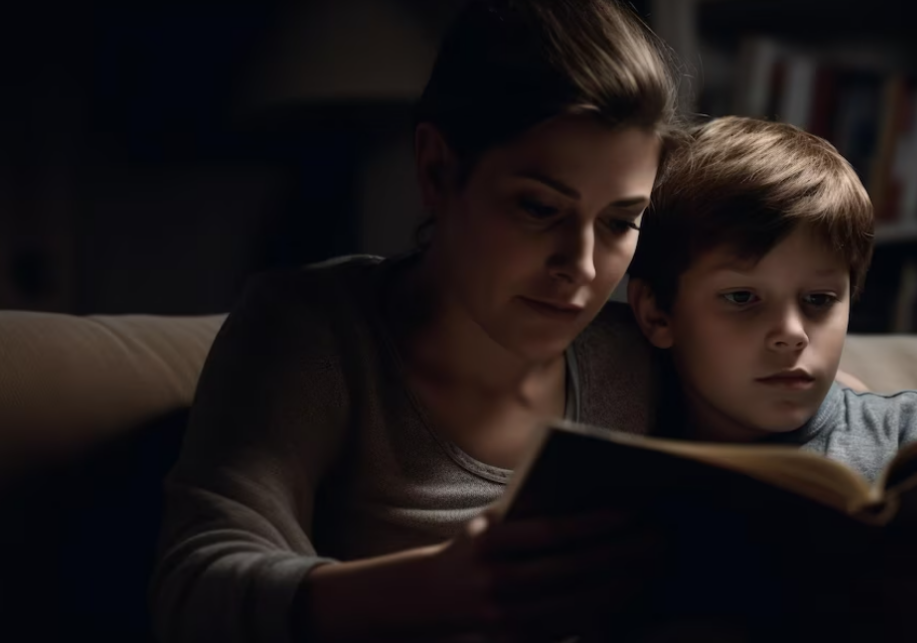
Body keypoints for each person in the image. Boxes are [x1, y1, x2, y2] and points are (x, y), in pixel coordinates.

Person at [149, 2, 684, 642]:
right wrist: (423, 592)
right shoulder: (317, 331)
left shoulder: (641, 352)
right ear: (436, 169)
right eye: (539, 208)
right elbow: (194, 589)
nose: (584, 266)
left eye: (621, 221)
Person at [626, 116, 917, 642]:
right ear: (657, 316)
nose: (791, 334)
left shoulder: (899, 429)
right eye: (742, 298)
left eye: (819, 300)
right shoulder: (632, 457)